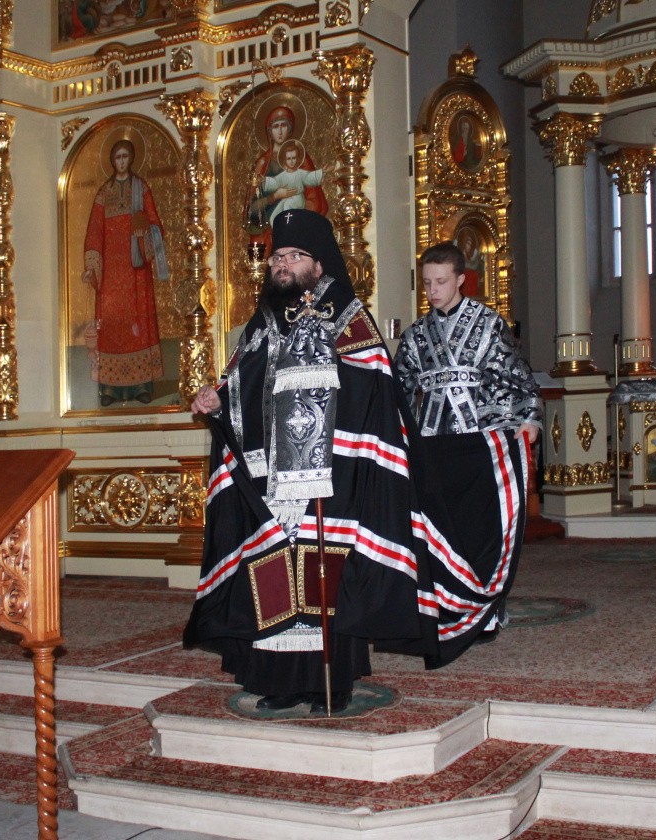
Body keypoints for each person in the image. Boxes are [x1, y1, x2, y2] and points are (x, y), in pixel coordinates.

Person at [185, 209, 430, 716]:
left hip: (331, 473)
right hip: (270, 475)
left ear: (318, 265)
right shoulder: (263, 320)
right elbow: (242, 380)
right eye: (277, 256)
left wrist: (324, 371)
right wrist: (217, 397)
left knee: (326, 572)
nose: (283, 264)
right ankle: (277, 680)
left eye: (295, 256)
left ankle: (331, 683)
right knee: (272, 567)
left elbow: (375, 378)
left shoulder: (346, 314)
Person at [394, 241, 541, 660]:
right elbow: (399, 388)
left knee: (480, 526)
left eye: (441, 282)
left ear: (461, 278)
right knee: (440, 528)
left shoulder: (489, 324)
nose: (433, 291)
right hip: (431, 444)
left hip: (479, 442)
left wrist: (528, 418)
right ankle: (444, 608)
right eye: (427, 283)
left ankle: (486, 612)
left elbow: (514, 376)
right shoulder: (416, 334)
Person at [82, 138, 168, 406]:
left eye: (125, 157)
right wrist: (92, 267)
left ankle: (142, 385)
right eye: (117, 157)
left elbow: (155, 224)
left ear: (131, 159)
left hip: (136, 270)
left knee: (138, 325)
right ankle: (109, 388)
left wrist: (145, 229)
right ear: (112, 160)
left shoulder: (140, 188)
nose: (121, 162)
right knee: (111, 326)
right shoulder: (103, 193)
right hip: (110, 274)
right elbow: (94, 231)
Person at [246, 105, 329, 255]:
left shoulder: (301, 160)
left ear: (290, 129)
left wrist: (294, 218)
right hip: (267, 234)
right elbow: (251, 210)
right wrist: (275, 196)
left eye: (283, 125)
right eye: (275, 126)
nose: (279, 131)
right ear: (269, 131)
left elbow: (315, 200)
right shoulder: (262, 164)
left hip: (295, 228)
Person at [257, 140, 328, 225]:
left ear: (298, 159)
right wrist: (264, 181)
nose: (291, 161)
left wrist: (322, 172)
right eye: (288, 159)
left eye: (293, 158)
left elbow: (310, 177)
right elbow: (275, 182)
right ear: (285, 160)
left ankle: (290, 228)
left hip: (297, 198)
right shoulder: (283, 175)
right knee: (274, 217)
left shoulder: (300, 173)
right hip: (287, 199)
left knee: (287, 207)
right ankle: (280, 231)